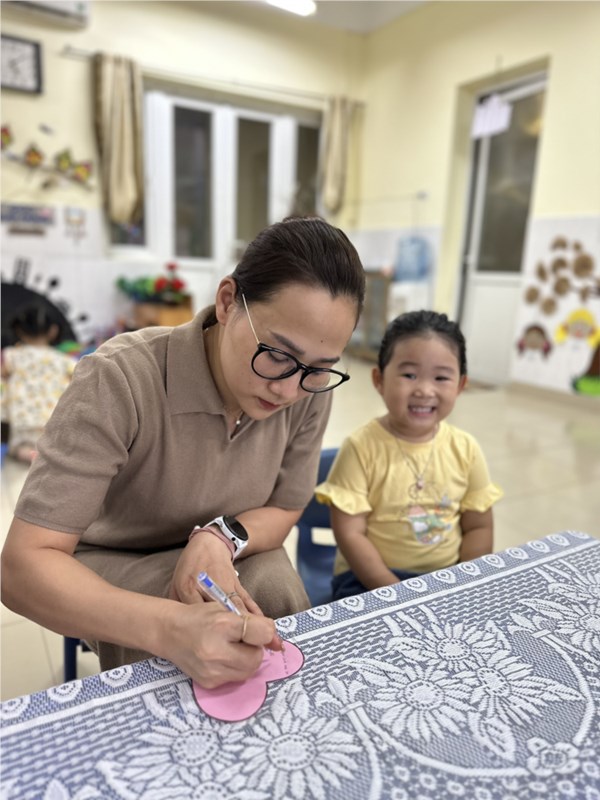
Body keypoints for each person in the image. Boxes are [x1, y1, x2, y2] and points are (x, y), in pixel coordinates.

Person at [1, 217, 365, 688]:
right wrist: (168, 628)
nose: (289, 390)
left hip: (225, 545)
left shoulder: (309, 392)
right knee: (183, 634)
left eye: (318, 369)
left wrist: (218, 538)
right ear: (228, 302)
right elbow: (21, 568)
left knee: (274, 591)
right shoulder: (120, 378)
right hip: (114, 554)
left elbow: (286, 507)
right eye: (277, 354)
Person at [316, 310, 503, 601]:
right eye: (409, 375)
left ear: (460, 385)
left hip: (447, 577)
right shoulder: (360, 447)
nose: (425, 390)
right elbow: (350, 534)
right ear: (379, 380)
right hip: (369, 579)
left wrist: (466, 583)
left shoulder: (466, 449)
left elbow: (478, 526)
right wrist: (398, 594)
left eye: (441, 377)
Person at [1, 304, 74, 464]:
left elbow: (3, 376)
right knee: (53, 444)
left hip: (23, 416)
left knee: (22, 446)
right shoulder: (64, 360)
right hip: (53, 416)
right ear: (53, 331)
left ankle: (29, 455)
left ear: (19, 331)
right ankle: (47, 457)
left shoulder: (11, 355)